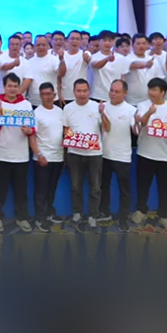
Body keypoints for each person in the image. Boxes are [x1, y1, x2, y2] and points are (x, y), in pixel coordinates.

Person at [132, 78, 167, 231]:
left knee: (166, 188)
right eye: (150, 89)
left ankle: (165, 216)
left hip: (165, 155)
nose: (151, 93)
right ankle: (141, 211)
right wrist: (149, 112)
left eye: (154, 90)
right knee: (142, 186)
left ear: (163, 92)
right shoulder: (142, 105)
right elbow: (141, 124)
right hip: (145, 153)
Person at [0, 73, 34, 233]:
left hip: (21, 156)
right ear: (4, 87)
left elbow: (32, 129)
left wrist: (29, 131)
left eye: (15, 86)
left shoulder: (26, 105)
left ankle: (22, 218)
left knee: (21, 191)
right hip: (1, 154)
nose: (13, 89)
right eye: (10, 86)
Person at [63, 79, 104, 230]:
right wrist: (72, 139)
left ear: (89, 91)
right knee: (75, 186)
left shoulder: (97, 107)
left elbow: (106, 127)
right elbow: (66, 129)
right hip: (74, 153)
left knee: (95, 187)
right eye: (78, 91)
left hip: (94, 153)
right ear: (74, 92)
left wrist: (103, 114)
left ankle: (93, 215)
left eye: (84, 91)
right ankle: (77, 213)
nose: (82, 94)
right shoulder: (68, 108)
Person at [99, 80, 136, 231]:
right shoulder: (102, 107)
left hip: (122, 156)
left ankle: (123, 218)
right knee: (103, 186)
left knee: (124, 190)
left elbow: (136, 131)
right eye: (111, 90)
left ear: (125, 93)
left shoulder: (131, 110)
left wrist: (139, 122)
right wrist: (102, 113)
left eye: (117, 92)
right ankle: (104, 212)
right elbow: (104, 128)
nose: (113, 94)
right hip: (104, 154)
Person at [31, 82, 65, 232]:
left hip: (58, 157)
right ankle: (40, 218)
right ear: (40, 96)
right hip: (43, 158)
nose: (47, 97)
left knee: (52, 189)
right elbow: (32, 137)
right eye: (44, 94)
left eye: (49, 94)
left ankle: (49, 213)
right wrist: (38, 154)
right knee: (41, 190)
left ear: (54, 95)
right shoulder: (36, 113)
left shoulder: (60, 112)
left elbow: (66, 133)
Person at [21, 35, 62, 106]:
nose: (41, 47)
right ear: (34, 47)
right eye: (38, 45)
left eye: (43, 45)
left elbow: (61, 74)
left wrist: (62, 60)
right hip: (34, 101)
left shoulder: (54, 60)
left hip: (52, 101)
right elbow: (28, 80)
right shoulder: (29, 62)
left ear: (48, 46)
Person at [123, 34, 163, 106]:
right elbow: (134, 65)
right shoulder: (127, 59)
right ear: (132, 45)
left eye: (144, 43)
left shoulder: (153, 59)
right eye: (138, 44)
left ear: (147, 45)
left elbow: (159, 79)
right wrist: (146, 64)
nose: (141, 46)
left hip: (150, 101)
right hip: (132, 101)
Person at [59, 31, 92, 106]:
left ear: (81, 41)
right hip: (66, 95)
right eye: (72, 38)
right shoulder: (62, 55)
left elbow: (89, 60)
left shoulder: (85, 54)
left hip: (81, 95)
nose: (75, 41)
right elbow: (60, 76)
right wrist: (60, 94)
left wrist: (87, 59)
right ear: (67, 40)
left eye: (77, 39)